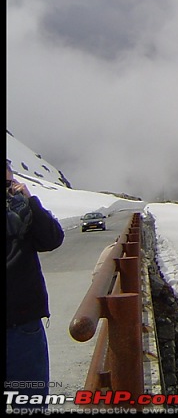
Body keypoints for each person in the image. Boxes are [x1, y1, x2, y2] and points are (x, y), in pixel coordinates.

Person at [6, 159, 64, 410]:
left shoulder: (22, 212)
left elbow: (51, 239)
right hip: (24, 324)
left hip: (23, 325)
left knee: (29, 404)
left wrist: (30, 201)